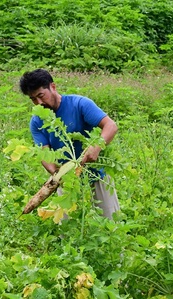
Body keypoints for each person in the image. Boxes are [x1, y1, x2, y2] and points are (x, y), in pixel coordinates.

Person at [19, 69, 120, 219]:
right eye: (33, 99)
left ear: (53, 87)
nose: (39, 103)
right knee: (66, 229)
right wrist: (57, 174)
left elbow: (111, 126)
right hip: (66, 178)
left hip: (95, 171)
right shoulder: (36, 121)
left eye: (41, 95)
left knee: (109, 223)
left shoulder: (79, 104)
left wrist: (96, 147)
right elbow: (44, 154)